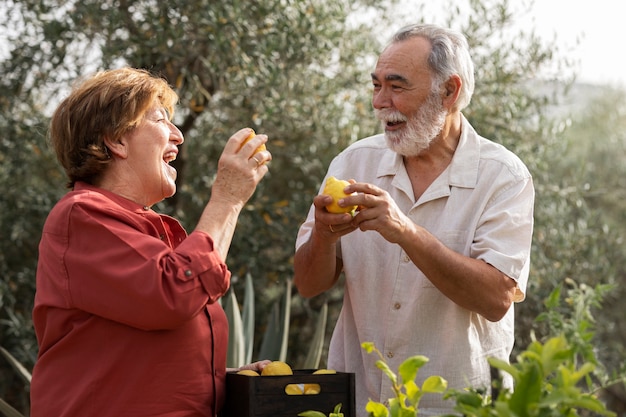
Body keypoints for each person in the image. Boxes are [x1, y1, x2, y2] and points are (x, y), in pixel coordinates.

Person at [294, 24, 534, 415]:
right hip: (360, 404)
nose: (380, 102)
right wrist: (323, 235)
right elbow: (307, 284)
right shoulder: (353, 163)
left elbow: (495, 299)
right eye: (376, 85)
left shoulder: (503, 177)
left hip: (458, 406)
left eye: (397, 86)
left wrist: (404, 231)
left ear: (450, 91)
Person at [30, 67, 272, 417]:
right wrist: (227, 199)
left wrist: (224, 379)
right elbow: (173, 294)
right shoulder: (81, 215)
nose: (178, 136)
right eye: (161, 120)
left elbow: (139, 362)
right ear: (116, 139)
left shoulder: (152, 233)